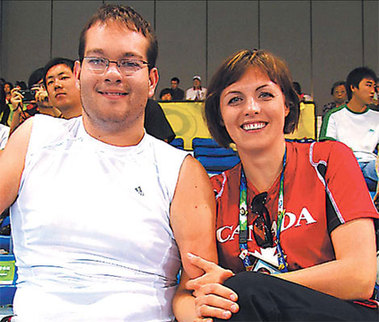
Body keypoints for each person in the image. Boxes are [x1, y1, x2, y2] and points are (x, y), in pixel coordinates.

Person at [0, 4, 216, 320]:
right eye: (98, 61)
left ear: (152, 79)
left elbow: (197, 288)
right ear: (79, 72)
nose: (112, 74)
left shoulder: (181, 171)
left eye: (129, 62)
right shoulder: (34, 137)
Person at [180, 49, 378, 321]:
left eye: (265, 95)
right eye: (235, 99)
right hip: (251, 312)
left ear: (286, 105)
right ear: (221, 116)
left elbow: (360, 276)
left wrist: (254, 286)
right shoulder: (213, 190)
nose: (251, 108)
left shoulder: (328, 159)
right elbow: (189, 292)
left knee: (243, 291)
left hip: (339, 312)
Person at [319, 67, 379, 192]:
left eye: (374, 87)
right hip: (345, 164)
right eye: (368, 85)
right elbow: (326, 147)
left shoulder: (376, 117)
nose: (372, 91)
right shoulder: (334, 115)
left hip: (371, 166)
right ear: (353, 88)